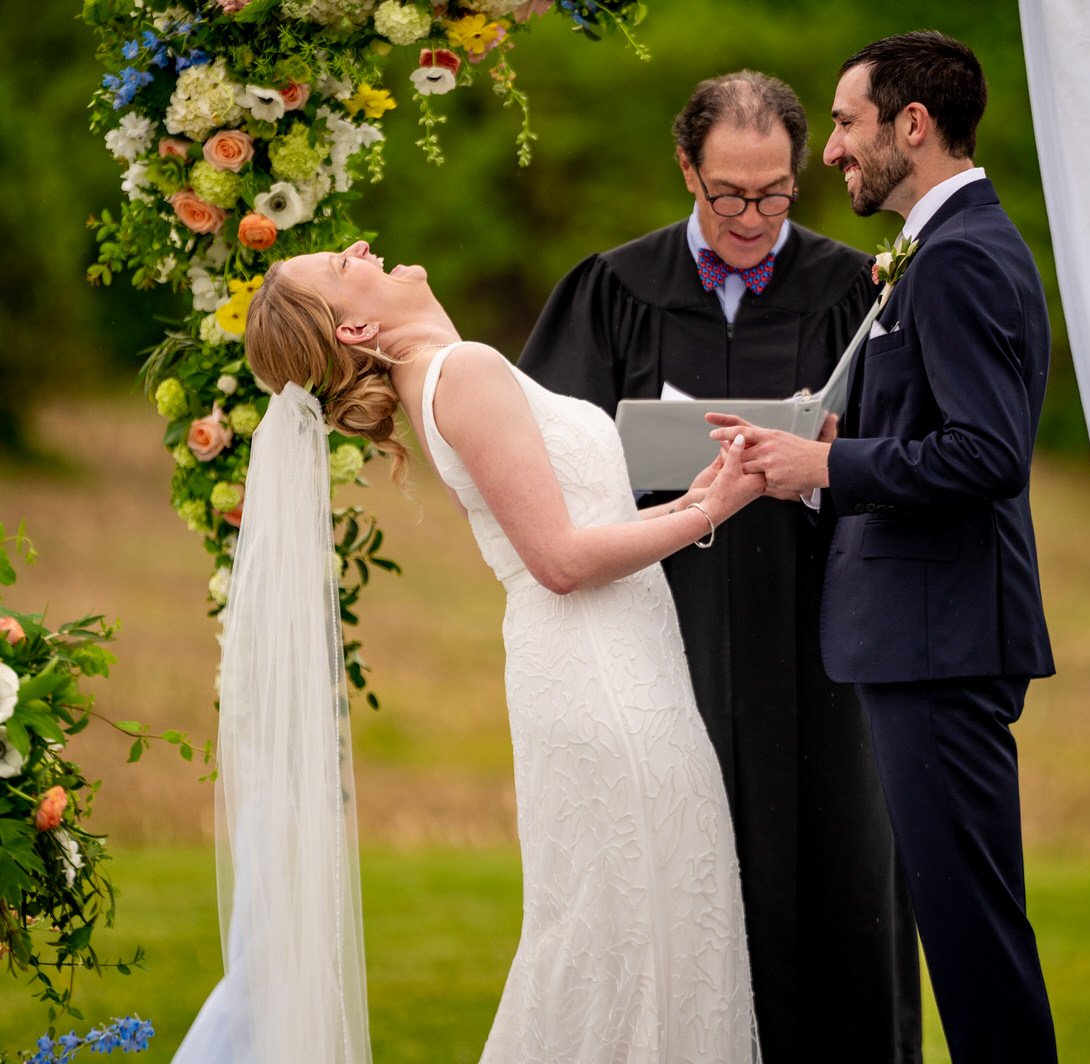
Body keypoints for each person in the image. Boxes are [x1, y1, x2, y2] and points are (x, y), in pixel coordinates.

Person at [177, 239, 766, 1064]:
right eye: (345, 268)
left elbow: (574, 531)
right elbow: (559, 561)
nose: (361, 247)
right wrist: (714, 513)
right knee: (629, 943)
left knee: (642, 934)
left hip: (614, 667)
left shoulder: (437, 380)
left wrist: (706, 489)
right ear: (354, 332)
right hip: (603, 680)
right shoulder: (466, 370)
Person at [520, 71, 921, 1063]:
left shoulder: (858, 296)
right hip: (666, 633)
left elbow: (919, 462)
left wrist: (825, 460)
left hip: (822, 644)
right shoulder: (612, 291)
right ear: (685, 167)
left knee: (840, 880)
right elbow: (546, 469)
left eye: (776, 192)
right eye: (728, 193)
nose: (752, 216)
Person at [708, 31, 1058, 1063]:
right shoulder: (942, 248)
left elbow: (986, 453)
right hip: (922, 638)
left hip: (941, 642)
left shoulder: (959, 258)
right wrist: (826, 448)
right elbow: (932, 438)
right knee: (962, 927)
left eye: (848, 124)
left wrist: (831, 470)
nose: (829, 154)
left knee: (972, 934)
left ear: (914, 124)